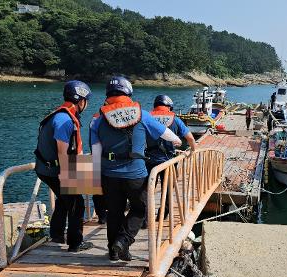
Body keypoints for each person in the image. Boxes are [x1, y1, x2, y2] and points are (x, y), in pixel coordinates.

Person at [90, 76, 182, 261]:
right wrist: (178, 141)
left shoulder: (98, 120)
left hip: (109, 174)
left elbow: (95, 152)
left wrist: (95, 178)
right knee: (140, 210)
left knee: (114, 212)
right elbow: (166, 133)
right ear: (128, 93)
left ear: (108, 94)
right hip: (135, 173)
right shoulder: (142, 114)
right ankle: (123, 242)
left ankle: (113, 251)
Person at [34, 80, 93, 252]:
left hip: (46, 168)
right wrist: (67, 174)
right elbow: (62, 150)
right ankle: (75, 243)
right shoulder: (65, 120)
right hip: (55, 169)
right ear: (80, 101)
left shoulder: (59, 114)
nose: (86, 105)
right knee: (77, 203)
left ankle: (57, 234)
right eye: (86, 101)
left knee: (63, 199)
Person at [145, 95, 197, 224]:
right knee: (167, 190)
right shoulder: (175, 119)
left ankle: (144, 219)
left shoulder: (147, 118)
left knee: (146, 190)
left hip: (148, 160)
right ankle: (162, 215)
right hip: (168, 161)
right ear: (169, 106)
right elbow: (190, 139)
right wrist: (192, 151)